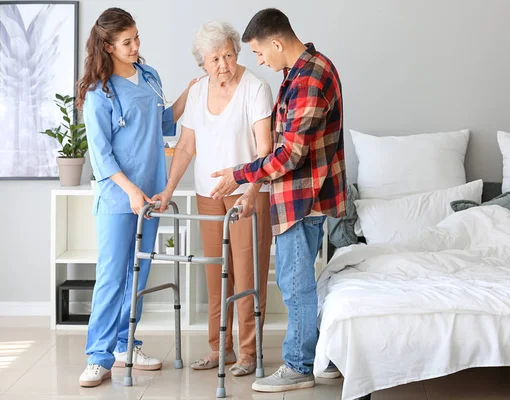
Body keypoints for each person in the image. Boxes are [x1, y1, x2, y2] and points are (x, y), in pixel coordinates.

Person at [210, 8, 347, 392]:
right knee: (300, 281)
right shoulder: (304, 70)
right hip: (303, 195)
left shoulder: (308, 78)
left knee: (294, 283)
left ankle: (299, 367)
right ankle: (324, 357)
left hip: (302, 199)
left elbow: (291, 154)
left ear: (275, 41)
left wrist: (240, 173)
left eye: (257, 53)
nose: (259, 61)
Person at [76, 7, 196, 387]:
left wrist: (191, 93)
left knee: (138, 272)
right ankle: (98, 356)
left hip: (152, 192)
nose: (135, 46)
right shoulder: (99, 93)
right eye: (127, 42)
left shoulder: (149, 76)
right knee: (112, 274)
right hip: (118, 195)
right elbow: (101, 153)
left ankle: (127, 345)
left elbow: (165, 122)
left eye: (137, 38)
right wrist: (130, 191)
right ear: (108, 46)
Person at [152, 21, 273, 377]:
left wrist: (250, 192)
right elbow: (186, 146)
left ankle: (250, 353)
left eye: (228, 55)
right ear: (202, 63)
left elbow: (265, 150)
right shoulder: (198, 91)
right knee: (216, 276)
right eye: (214, 58)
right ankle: (219, 348)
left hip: (246, 195)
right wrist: (169, 190)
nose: (223, 64)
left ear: (237, 52)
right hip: (207, 196)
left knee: (248, 276)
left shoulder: (256, 89)